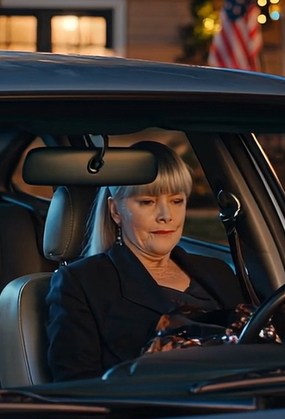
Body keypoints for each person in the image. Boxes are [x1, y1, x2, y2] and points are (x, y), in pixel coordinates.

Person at [45, 141, 243, 381]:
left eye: (176, 201)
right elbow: (77, 386)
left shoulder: (219, 272)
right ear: (115, 211)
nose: (166, 216)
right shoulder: (81, 283)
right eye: (147, 202)